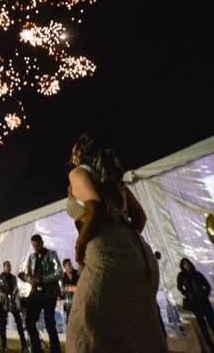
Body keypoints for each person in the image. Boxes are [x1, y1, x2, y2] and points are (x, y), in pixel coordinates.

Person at [65, 134, 167, 353]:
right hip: (139, 254)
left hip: (106, 255)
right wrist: (124, 238)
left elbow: (95, 208)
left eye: (73, 151)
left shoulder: (78, 173)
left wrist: (80, 246)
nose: (71, 155)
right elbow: (140, 217)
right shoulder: (112, 179)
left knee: (85, 328)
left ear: (80, 153)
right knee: (139, 332)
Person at [21, 234, 63, 353]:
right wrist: (26, 278)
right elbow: (26, 273)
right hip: (36, 294)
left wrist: (42, 279)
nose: (36, 248)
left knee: (49, 322)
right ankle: (37, 349)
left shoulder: (52, 254)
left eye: (37, 245)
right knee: (29, 321)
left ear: (42, 243)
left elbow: (60, 273)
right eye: (34, 246)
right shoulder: (31, 258)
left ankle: (56, 350)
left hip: (50, 293)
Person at [177, 258, 214, 353]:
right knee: (203, 327)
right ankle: (212, 349)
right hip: (194, 302)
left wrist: (205, 294)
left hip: (204, 301)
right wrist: (186, 293)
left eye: (187, 263)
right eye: (184, 264)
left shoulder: (197, 274)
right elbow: (179, 286)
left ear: (190, 264)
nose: (186, 265)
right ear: (182, 266)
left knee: (213, 324)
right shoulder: (181, 275)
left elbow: (207, 285)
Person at [0, 261, 28, 352]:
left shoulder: (13, 277)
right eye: (7, 266)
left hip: (13, 302)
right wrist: (3, 295)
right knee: (3, 324)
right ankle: (3, 346)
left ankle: (24, 345)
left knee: (19, 322)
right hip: (3, 303)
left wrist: (15, 293)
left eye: (9, 266)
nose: (9, 267)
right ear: (4, 267)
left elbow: (16, 288)